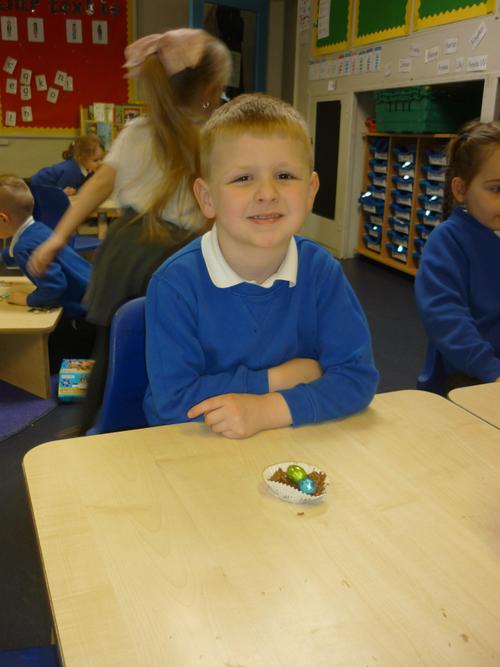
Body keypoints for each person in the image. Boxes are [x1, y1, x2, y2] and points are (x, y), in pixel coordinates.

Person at [28, 28, 232, 433]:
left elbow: (98, 185)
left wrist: (56, 237)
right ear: (210, 90)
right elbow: (219, 212)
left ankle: (94, 430)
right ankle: (153, 430)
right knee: (175, 355)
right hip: (176, 258)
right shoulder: (213, 138)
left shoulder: (139, 130)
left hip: (126, 252)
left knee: (113, 354)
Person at [144, 94, 379, 439]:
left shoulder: (321, 271)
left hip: (288, 439)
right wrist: (277, 380)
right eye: (243, 178)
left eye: (285, 175)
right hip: (197, 446)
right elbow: (174, 402)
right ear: (207, 198)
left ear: (311, 191)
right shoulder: (175, 284)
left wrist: (268, 410)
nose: (267, 193)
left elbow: (357, 378)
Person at [415, 120, 500, 391]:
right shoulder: (448, 241)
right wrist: (492, 371)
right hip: (468, 373)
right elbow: (445, 318)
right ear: (461, 189)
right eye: (497, 189)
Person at [0, 175, 94, 370]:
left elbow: (54, 286)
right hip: (93, 296)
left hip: (81, 317)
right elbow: (16, 252)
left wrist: (27, 299)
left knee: (51, 362)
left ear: (3, 219)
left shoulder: (24, 247)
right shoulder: (38, 229)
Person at [30, 135, 105, 195]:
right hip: (35, 186)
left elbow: (85, 188)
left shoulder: (89, 170)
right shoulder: (72, 171)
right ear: (81, 158)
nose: (100, 163)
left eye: (101, 159)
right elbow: (63, 195)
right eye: (95, 160)